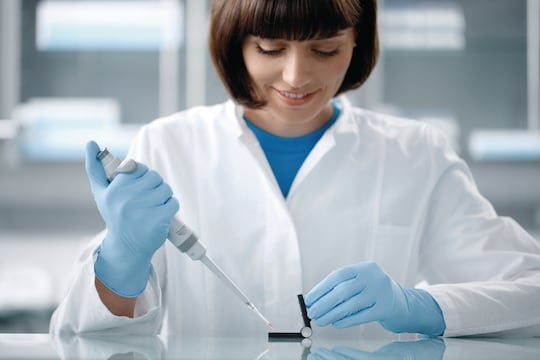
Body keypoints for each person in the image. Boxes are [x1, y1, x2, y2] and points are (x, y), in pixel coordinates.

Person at [50, 0, 540, 338]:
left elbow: (531, 293)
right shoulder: (169, 144)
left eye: (325, 49)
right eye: (270, 49)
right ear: (235, 44)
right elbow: (74, 337)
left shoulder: (416, 154)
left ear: (357, 43)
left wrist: (421, 307)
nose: (297, 76)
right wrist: (122, 259)